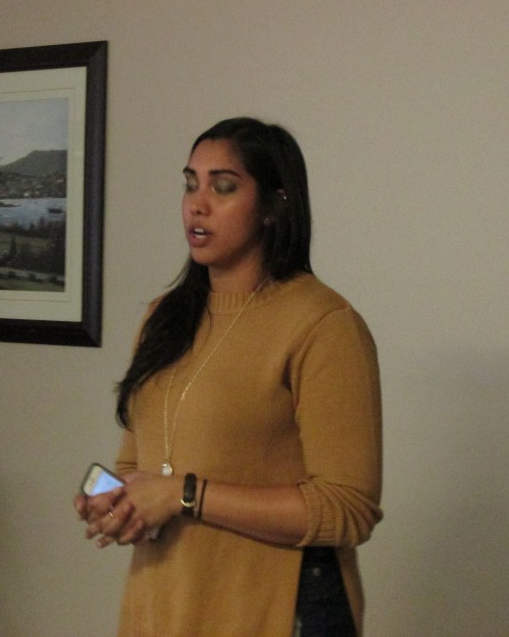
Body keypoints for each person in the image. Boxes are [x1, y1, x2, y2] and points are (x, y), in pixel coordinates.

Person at [76, 117, 382, 636]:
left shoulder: (324, 324)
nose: (197, 205)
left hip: (276, 611)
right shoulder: (163, 318)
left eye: (223, 187)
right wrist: (120, 499)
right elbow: (140, 464)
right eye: (190, 184)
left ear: (273, 205)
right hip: (166, 605)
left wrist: (184, 495)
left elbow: (346, 508)